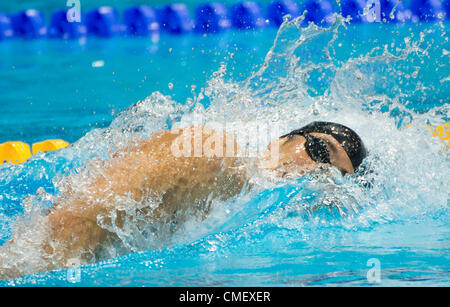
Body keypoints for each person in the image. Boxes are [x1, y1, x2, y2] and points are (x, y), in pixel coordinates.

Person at [1, 121, 367, 279]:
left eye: (333, 176)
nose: (317, 172)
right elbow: (77, 218)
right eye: (319, 150)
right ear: (284, 139)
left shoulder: (239, 208)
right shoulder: (212, 155)